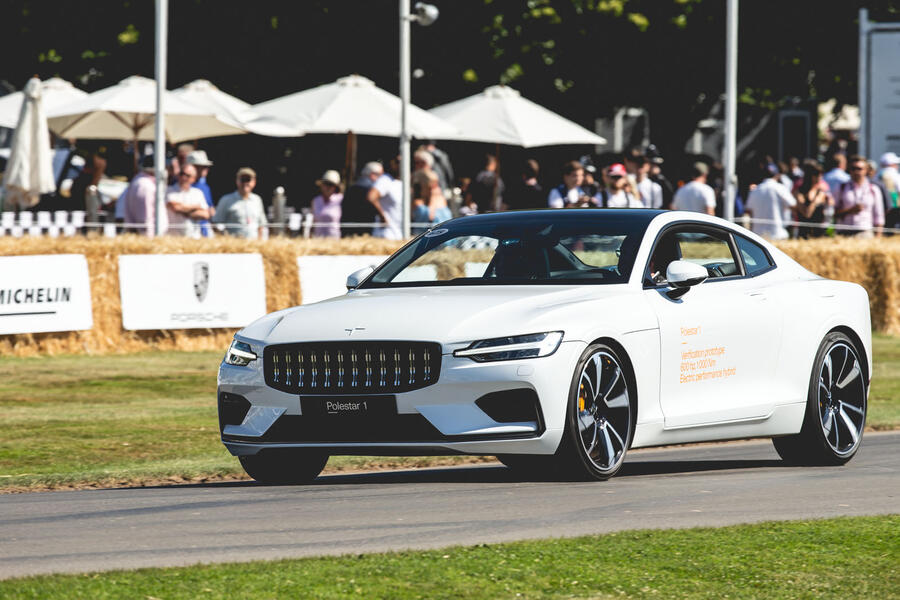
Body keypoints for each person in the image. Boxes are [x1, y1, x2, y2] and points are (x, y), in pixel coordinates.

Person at [834, 155, 885, 238]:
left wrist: (878, 238)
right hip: (844, 232)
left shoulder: (873, 189)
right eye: (853, 169)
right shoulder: (841, 188)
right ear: (849, 170)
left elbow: (879, 217)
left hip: (865, 232)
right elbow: (832, 212)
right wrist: (850, 210)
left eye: (859, 169)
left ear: (866, 170)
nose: (856, 172)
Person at [212, 167, 268, 239]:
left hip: (254, 246)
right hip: (234, 247)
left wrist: (260, 243)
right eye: (242, 180)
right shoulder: (226, 200)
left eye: (248, 179)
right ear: (237, 181)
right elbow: (216, 224)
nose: (245, 183)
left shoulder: (257, 200)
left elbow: (261, 225)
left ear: (254, 182)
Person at [744, 163, 797, 240]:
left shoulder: (755, 190)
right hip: (777, 235)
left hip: (758, 237)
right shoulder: (780, 188)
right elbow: (793, 206)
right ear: (777, 175)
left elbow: (748, 211)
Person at [164, 163, 209, 238]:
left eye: (188, 175)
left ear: (194, 178)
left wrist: (183, 210)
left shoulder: (198, 193)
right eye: (182, 174)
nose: (184, 177)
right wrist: (196, 207)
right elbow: (175, 208)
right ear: (178, 175)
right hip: (173, 238)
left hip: (194, 238)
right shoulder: (168, 190)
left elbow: (205, 214)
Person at [341, 162, 385, 237]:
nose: (382, 178)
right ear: (372, 175)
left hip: (349, 231)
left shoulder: (351, 188)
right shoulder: (371, 190)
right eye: (380, 175)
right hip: (365, 231)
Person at [793, 161, 832, 239]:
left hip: (819, 233)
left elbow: (831, 205)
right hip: (803, 233)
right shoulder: (799, 191)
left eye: (821, 175)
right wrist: (815, 201)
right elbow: (807, 213)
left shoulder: (822, 190)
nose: (819, 178)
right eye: (816, 175)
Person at [122, 154, 157, 236]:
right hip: (147, 234)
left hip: (141, 231)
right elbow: (145, 216)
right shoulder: (145, 185)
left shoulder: (140, 180)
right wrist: (148, 235)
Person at [373, 157, 404, 240]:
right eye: (397, 162)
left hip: (399, 234)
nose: (400, 165)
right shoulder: (385, 180)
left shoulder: (404, 181)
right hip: (387, 234)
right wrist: (382, 216)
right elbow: (371, 197)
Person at [187, 150, 215, 237]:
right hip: (189, 231)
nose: (206, 169)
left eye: (206, 167)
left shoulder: (205, 187)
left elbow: (210, 209)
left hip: (204, 231)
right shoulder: (183, 187)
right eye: (202, 166)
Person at [310, 169, 343, 238]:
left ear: (335, 187)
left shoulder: (340, 200)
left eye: (331, 185)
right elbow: (313, 222)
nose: (328, 187)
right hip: (317, 240)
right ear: (321, 185)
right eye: (326, 184)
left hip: (335, 241)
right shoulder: (316, 201)